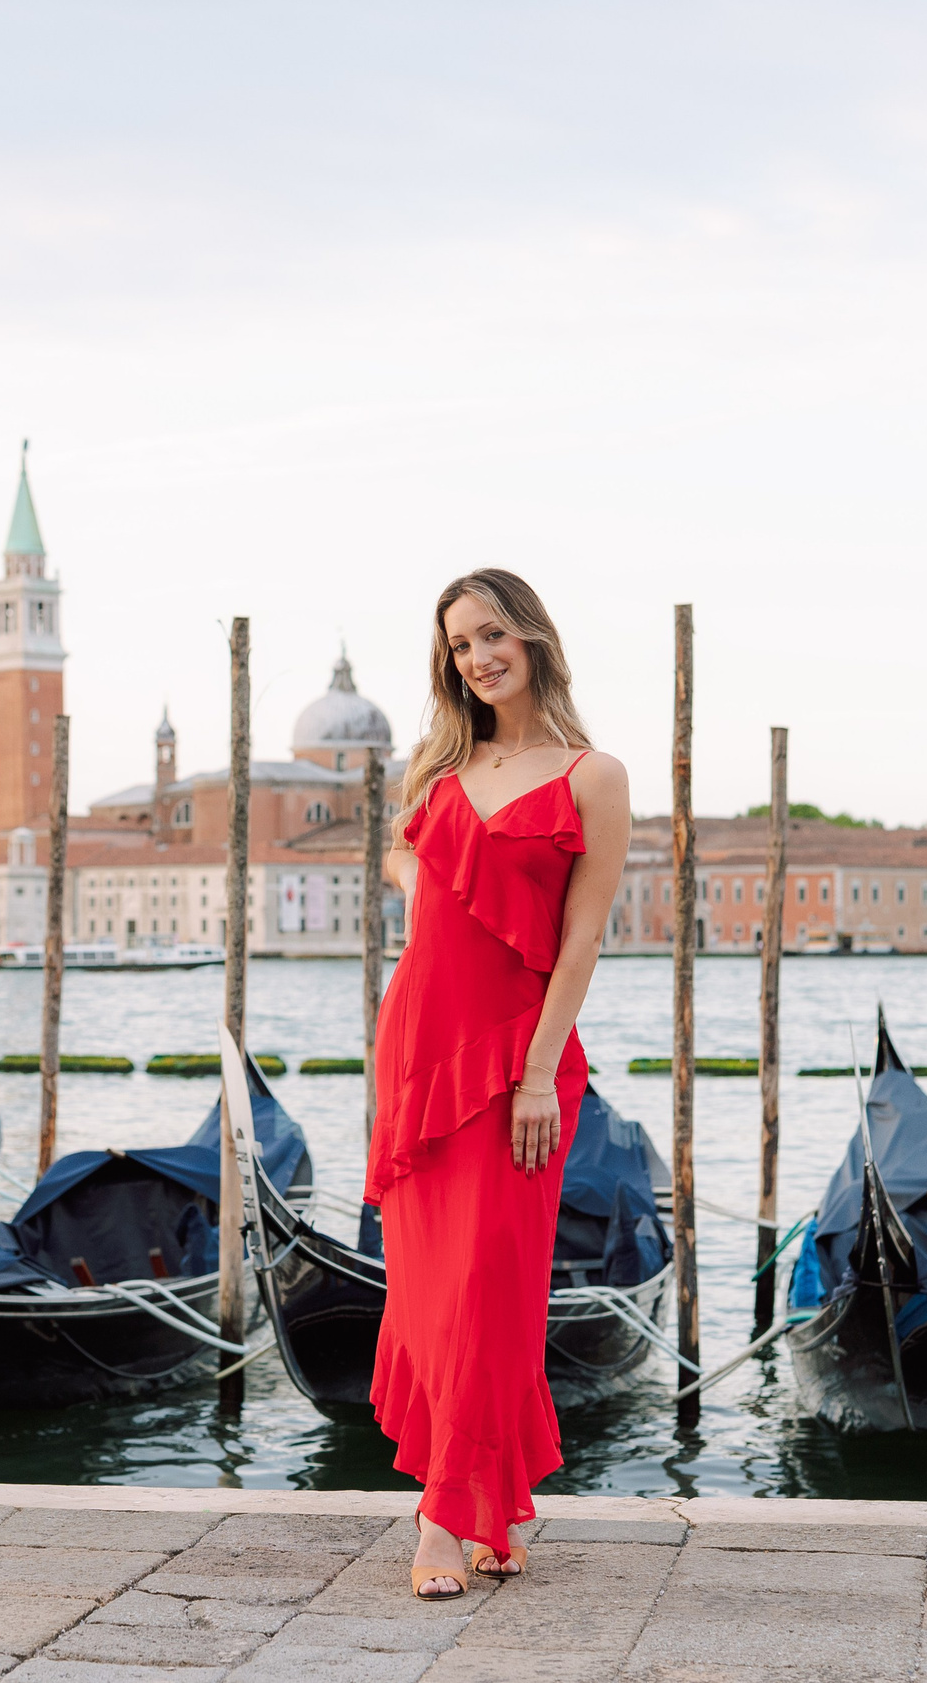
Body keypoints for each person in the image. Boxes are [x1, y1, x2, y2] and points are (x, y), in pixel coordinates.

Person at [369, 568, 629, 1600]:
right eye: (458, 644)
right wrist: (426, 883)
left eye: (490, 634)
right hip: (419, 1049)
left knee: (493, 1288)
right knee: (436, 1293)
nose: (477, 656)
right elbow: (402, 856)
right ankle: (490, 1503)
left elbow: (583, 937)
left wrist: (535, 1077)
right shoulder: (440, 769)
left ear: (531, 636)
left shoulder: (591, 776)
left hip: (519, 1064)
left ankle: (446, 1514)